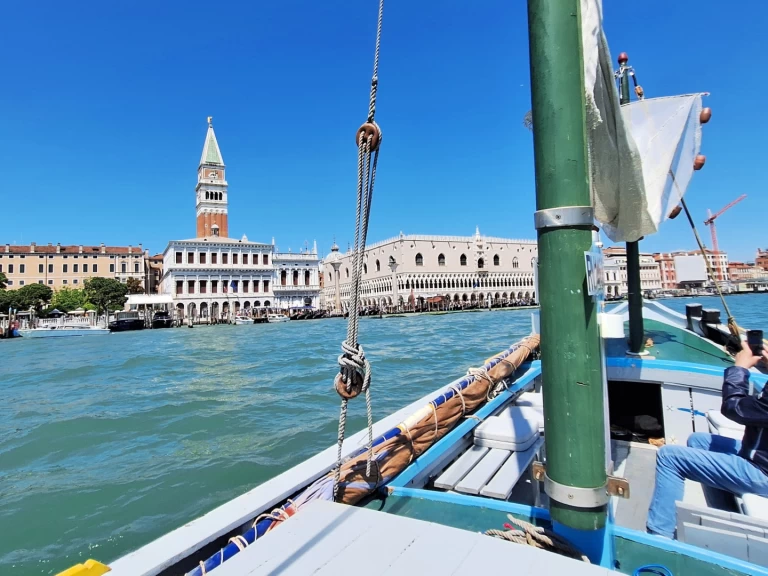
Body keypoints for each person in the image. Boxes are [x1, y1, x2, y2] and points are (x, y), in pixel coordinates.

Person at [646, 339, 768, 538]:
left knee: (669, 457)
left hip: (762, 472)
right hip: (759, 454)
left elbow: (734, 408)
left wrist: (739, 368)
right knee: (698, 440)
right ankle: (723, 520)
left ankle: (658, 536)